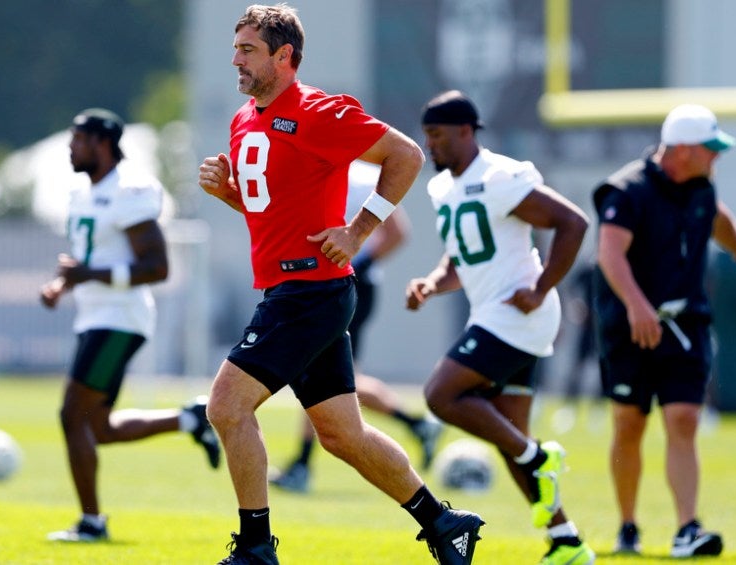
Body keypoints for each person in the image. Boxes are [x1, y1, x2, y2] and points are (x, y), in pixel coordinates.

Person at [198, 6, 483, 564]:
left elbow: (406, 155)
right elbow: (271, 213)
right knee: (342, 436)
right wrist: (228, 195)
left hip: (311, 292)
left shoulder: (317, 110)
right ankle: (444, 522)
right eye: (236, 48)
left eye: (248, 50)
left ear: (284, 57)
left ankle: (256, 548)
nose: (236, 59)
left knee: (226, 407)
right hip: (293, 291)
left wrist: (358, 230)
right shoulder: (244, 119)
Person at [405, 90, 595, 565]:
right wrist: (432, 282)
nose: (430, 145)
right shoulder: (442, 187)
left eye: (437, 135)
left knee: (440, 395)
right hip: (495, 312)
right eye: (426, 135)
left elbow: (572, 222)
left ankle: (536, 456)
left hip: (518, 312)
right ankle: (566, 541)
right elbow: (466, 253)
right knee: (507, 431)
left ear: (466, 132)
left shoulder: (500, 176)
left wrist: (541, 286)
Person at [42, 108, 221, 543]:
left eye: (77, 139)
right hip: (94, 315)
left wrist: (88, 276)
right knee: (97, 427)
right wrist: (62, 284)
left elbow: (157, 268)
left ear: (102, 143)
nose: (70, 147)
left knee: (72, 415)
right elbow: (90, 261)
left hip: (120, 318)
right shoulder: (83, 193)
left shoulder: (131, 190)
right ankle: (189, 419)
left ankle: (91, 522)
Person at [593, 103, 736, 558]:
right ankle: (628, 526)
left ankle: (687, 528)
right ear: (685, 149)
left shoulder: (700, 186)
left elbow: (717, 217)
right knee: (630, 423)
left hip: (685, 321)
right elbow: (610, 254)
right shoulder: (628, 190)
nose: (717, 157)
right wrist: (637, 306)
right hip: (629, 324)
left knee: (684, 419)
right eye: (711, 149)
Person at [269, 160, 442, 494]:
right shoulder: (309, 166)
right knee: (339, 378)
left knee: (315, 372)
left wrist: (356, 261)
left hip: (351, 286)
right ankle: (417, 425)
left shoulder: (363, 176)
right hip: (320, 286)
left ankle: (303, 466)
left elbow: (397, 234)